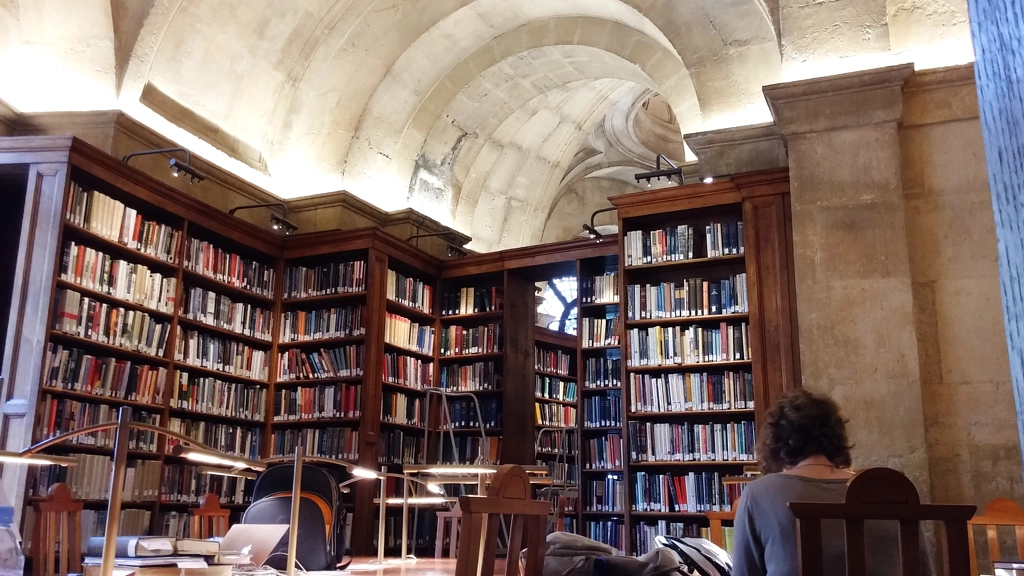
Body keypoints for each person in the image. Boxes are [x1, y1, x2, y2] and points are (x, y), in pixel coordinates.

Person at [731, 389, 897, 576]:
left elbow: (744, 572)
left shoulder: (759, 494)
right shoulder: (887, 491)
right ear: (836, 436)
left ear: (777, 442)